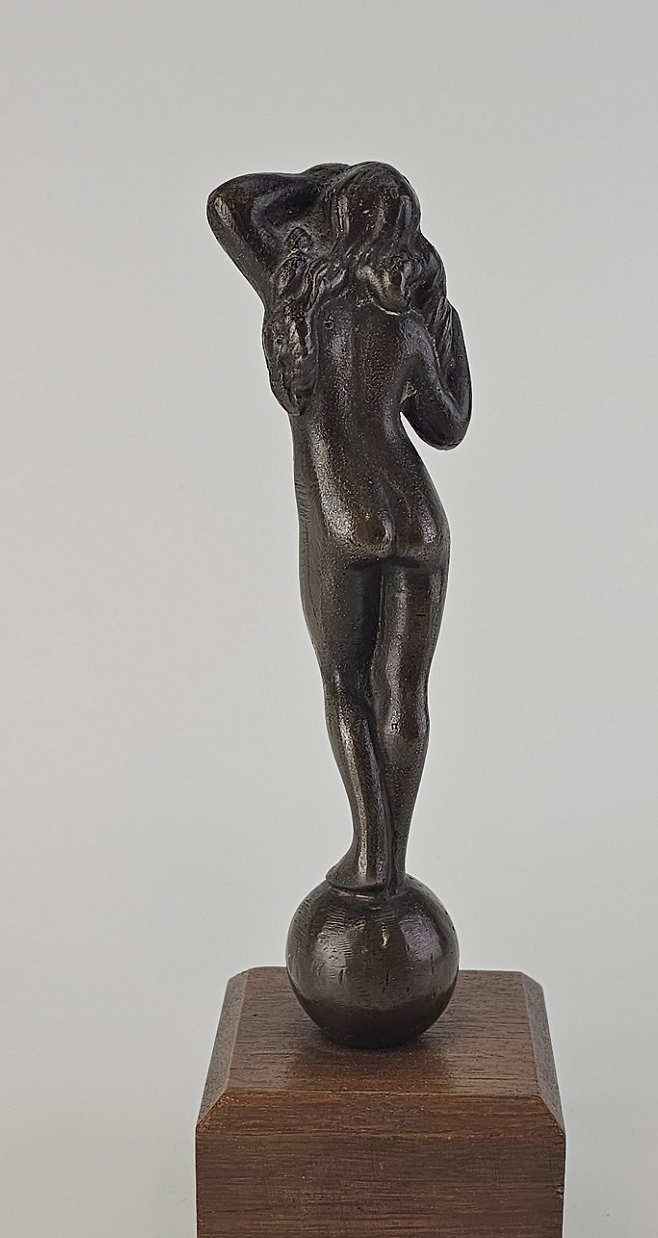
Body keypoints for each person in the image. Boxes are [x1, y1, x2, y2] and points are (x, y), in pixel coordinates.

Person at [208, 162, 471, 894]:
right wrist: (442, 320)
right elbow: (448, 426)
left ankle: (373, 857)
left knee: (344, 683)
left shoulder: (295, 300)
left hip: (343, 512)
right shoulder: (411, 325)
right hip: (419, 516)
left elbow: (232, 205)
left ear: (337, 218)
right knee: (406, 691)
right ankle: (389, 863)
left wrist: (324, 187)